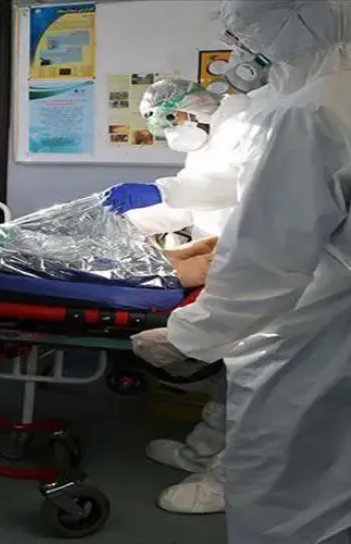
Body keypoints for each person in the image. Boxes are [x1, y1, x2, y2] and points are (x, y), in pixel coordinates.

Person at [132, 0, 351, 541]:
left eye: (243, 38)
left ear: (287, 28)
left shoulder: (306, 113)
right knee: (329, 456)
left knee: (279, 454)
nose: (237, 54)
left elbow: (268, 256)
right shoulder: (330, 97)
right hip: (324, 302)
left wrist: (190, 334)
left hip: (314, 313)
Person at [102, 78, 249, 241]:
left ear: (196, 102)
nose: (172, 132)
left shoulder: (242, 127)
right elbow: (189, 205)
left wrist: (163, 192)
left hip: (247, 237)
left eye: (171, 119)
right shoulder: (204, 144)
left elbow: (231, 188)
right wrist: (127, 222)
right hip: (220, 241)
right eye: (163, 128)